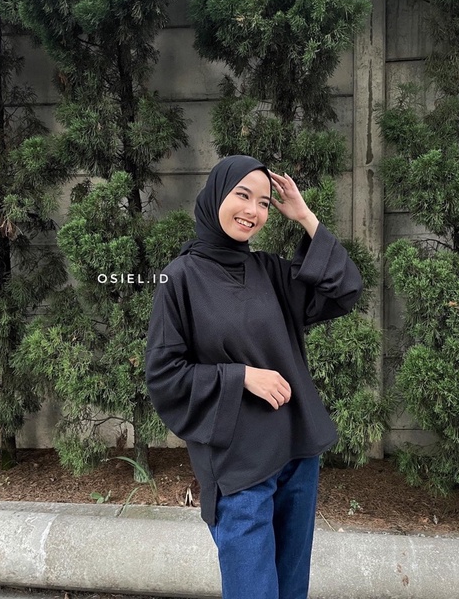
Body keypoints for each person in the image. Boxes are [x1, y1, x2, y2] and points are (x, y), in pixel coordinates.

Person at [145, 154, 363, 599]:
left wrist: (304, 216)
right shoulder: (179, 279)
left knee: (291, 590)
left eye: (263, 203)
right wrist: (241, 376)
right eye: (242, 195)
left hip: (296, 454)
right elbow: (165, 376)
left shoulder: (270, 272)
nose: (253, 211)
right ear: (215, 196)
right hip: (239, 468)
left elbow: (344, 290)